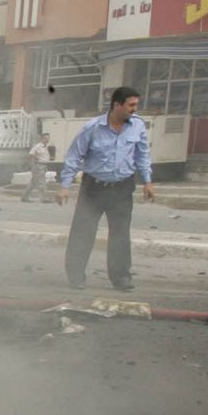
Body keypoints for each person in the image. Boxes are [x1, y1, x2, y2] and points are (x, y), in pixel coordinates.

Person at [56, 87, 154, 291]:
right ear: (117, 105)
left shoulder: (137, 126)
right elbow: (74, 156)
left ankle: (121, 278)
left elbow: (142, 155)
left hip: (122, 189)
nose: (134, 110)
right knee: (83, 233)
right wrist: (64, 186)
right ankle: (76, 276)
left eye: (136, 105)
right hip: (94, 188)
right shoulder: (92, 128)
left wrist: (147, 181)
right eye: (131, 105)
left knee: (120, 234)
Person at [21, 132, 53, 202]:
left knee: (33, 183)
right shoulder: (38, 146)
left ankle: (24, 197)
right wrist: (37, 158)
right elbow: (31, 153)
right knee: (42, 182)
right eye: (45, 138)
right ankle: (45, 198)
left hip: (43, 166)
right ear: (41, 139)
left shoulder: (45, 146)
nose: (47, 140)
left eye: (48, 138)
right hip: (39, 166)